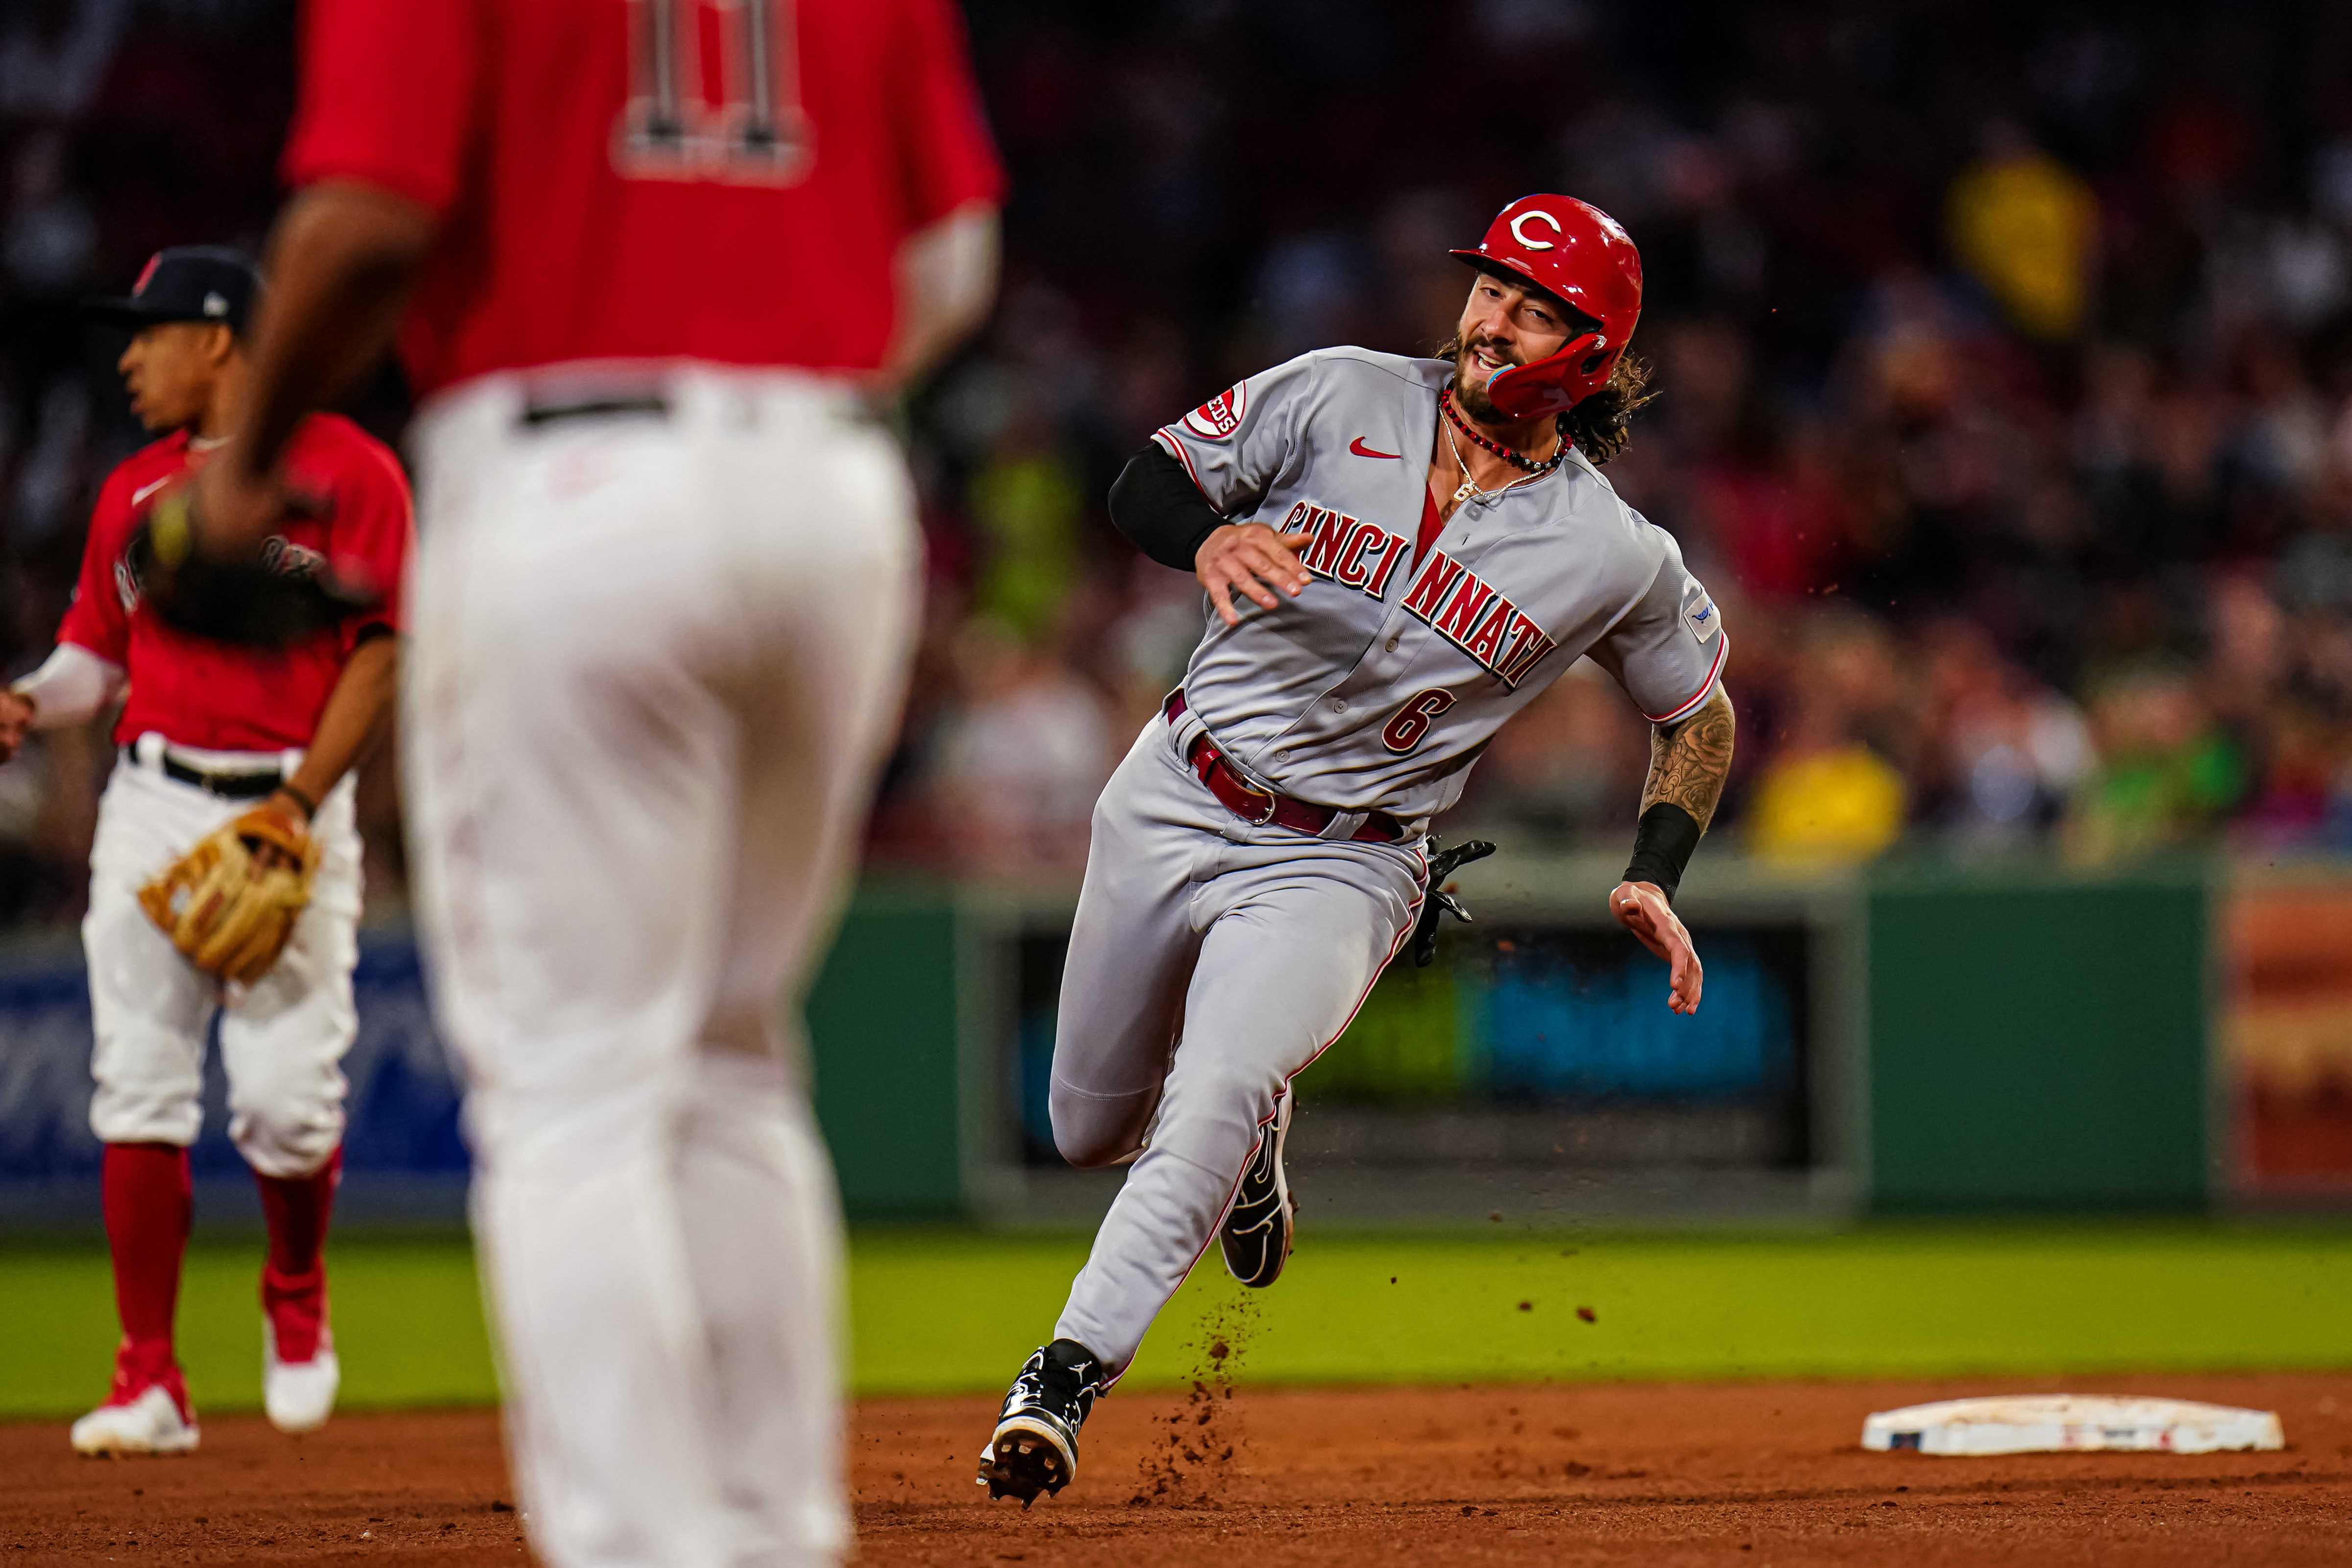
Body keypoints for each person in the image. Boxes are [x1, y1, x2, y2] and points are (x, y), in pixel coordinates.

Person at [157, 2, 1003, 1563]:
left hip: (571, 470)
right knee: (736, 1057)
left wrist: (245, 467)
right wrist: (775, 385)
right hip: (831, 484)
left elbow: (367, 224)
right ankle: (768, 1534)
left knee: (572, 1086)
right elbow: (952, 258)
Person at [975, 195, 1738, 1505]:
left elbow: (1699, 714)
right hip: (1171, 789)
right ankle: (1254, 1141)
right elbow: (1145, 478)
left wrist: (1652, 869)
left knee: (1210, 1084)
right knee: (1085, 1126)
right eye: (1490, 286)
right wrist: (1205, 533)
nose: (1491, 316)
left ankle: (1061, 1377)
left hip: (1345, 859)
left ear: (1588, 350)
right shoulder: (1337, 390)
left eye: (1531, 303)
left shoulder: (1611, 552)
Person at [0, 246, 412, 1454]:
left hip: (294, 799)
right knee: (138, 1082)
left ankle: (294, 1295)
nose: (129, 356)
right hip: (155, 799)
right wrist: (31, 696)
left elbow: (381, 651)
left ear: (220, 338)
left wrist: (298, 805)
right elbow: (97, 655)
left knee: (287, 1105)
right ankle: (150, 1376)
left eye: (151, 331)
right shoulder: (130, 490)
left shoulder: (348, 471)